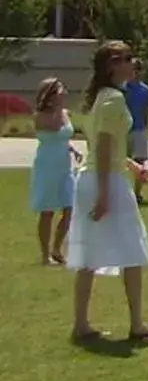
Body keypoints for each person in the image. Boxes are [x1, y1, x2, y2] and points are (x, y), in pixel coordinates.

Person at [69, 40, 148, 345]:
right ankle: (136, 323)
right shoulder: (112, 100)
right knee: (132, 250)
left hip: (98, 177)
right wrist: (105, 194)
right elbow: (102, 147)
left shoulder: (102, 98)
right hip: (104, 181)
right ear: (111, 66)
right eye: (126, 59)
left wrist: (131, 165)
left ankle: (82, 323)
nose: (133, 63)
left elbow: (105, 147)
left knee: (91, 254)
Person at [29, 78, 77, 267]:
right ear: (50, 95)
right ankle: (45, 254)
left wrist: (72, 149)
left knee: (70, 208)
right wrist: (57, 107)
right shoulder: (40, 115)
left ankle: (57, 249)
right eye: (59, 90)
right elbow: (55, 128)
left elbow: (63, 137)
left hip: (65, 165)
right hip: (47, 166)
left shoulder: (65, 113)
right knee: (47, 211)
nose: (64, 92)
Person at [123, 58, 148, 206]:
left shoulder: (146, 90)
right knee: (121, 161)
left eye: (138, 70)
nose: (135, 73)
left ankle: (137, 194)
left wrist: (146, 128)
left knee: (140, 162)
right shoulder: (123, 89)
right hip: (125, 129)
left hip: (140, 129)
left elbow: (145, 111)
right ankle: (122, 193)